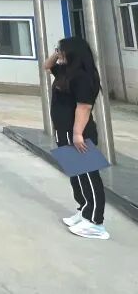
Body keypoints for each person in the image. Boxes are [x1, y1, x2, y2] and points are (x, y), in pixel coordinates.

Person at [45, 37, 110, 240]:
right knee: (76, 175)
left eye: (62, 50)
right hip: (64, 131)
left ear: (73, 52)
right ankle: (83, 210)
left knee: (88, 175)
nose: (59, 53)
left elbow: (84, 107)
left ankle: (95, 222)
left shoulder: (82, 76)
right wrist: (57, 53)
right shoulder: (66, 71)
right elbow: (47, 66)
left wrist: (77, 133)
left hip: (78, 133)